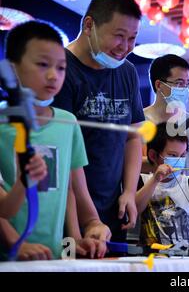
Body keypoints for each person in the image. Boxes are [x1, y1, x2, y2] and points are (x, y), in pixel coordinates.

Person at [0, 20, 109, 260]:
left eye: (61, 68)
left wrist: (76, 240)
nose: (53, 75)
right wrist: (15, 244)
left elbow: (70, 190)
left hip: (52, 258)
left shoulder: (68, 122)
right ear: (11, 69)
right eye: (42, 64)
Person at [53, 0, 145, 242]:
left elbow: (133, 137)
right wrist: (90, 219)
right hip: (68, 212)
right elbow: (66, 154)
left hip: (114, 211)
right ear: (89, 25)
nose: (125, 47)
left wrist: (128, 191)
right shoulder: (58, 71)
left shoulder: (126, 72)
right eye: (119, 36)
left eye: (132, 38)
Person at [142, 54, 189, 246]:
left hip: (183, 220)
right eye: (179, 83)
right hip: (144, 214)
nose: (184, 89)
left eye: (187, 84)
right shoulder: (139, 123)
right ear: (159, 85)